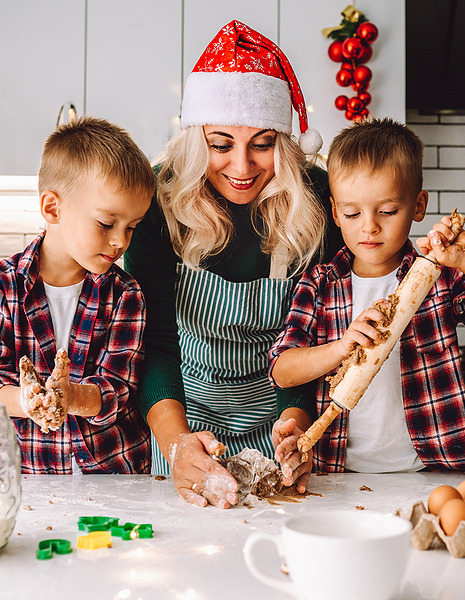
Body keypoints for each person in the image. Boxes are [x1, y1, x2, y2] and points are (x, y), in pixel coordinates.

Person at [123, 21, 343, 508]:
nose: (241, 168)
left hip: (283, 417)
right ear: (197, 137)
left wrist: (296, 433)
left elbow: (310, 339)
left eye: (262, 144)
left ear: (285, 141)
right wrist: (178, 444)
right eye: (221, 145)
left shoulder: (319, 198)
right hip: (182, 417)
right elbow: (153, 341)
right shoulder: (156, 196)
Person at [268, 118, 465, 484]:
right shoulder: (320, 283)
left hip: (430, 473)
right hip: (338, 476)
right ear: (335, 213)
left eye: (388, 211)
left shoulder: (439, 278)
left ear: (418, 205)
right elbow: (282, 370)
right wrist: (342, 347)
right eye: (352, 213)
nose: (369, 227)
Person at [0, 117, 155, 474]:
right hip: (25, 479)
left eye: (131, 227)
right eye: (105, 224)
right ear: (52, 208)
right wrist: (28, 399)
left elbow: (119, 388)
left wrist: (72, 398)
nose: (120, 241)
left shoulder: (127, 295)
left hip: (115, 480)